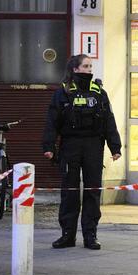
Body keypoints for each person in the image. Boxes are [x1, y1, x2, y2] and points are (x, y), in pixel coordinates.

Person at [42, 54, 121, 250]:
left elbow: (108, 120)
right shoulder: (63, 92)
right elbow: (52, 122)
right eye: (86, 66)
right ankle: (68, 235)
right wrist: (49, 147)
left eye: (90, 66)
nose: (90, 70)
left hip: (94, 145)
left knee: (93, 191)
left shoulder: (99, 92)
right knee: (70, 191)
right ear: (75, 69)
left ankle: (90, 235)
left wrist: (115, 147)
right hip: (71, 145)